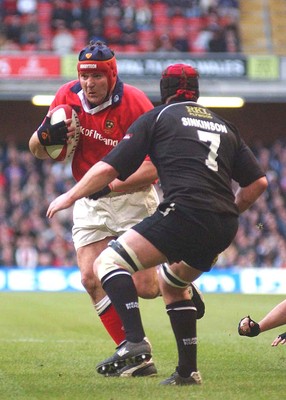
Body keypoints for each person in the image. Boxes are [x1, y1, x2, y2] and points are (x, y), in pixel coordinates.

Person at [46, 63, 268, 385]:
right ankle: (187, 372)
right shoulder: (224, 125)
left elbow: (110, 168)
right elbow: (258, 183)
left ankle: (134, 342)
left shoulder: (158, 117)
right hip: (223, 225)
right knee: (172, 285)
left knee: (107, 262)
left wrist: (70, 196)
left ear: (164, 92)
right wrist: (232, 210)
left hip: (183, 212)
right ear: (197, 91)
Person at [29, 40, 161, 377]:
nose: (89, 84)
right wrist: (46, 136)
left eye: (97, 77)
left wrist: (112, 185)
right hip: (89, 197)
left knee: (147, 288)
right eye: (85, 77)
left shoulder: (135, 103)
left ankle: (181, 280)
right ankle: (135, 354)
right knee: (90, 277)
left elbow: (154, 169)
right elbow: (37, 149)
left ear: (111, 75)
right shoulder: (67, 96)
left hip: (132, 197)